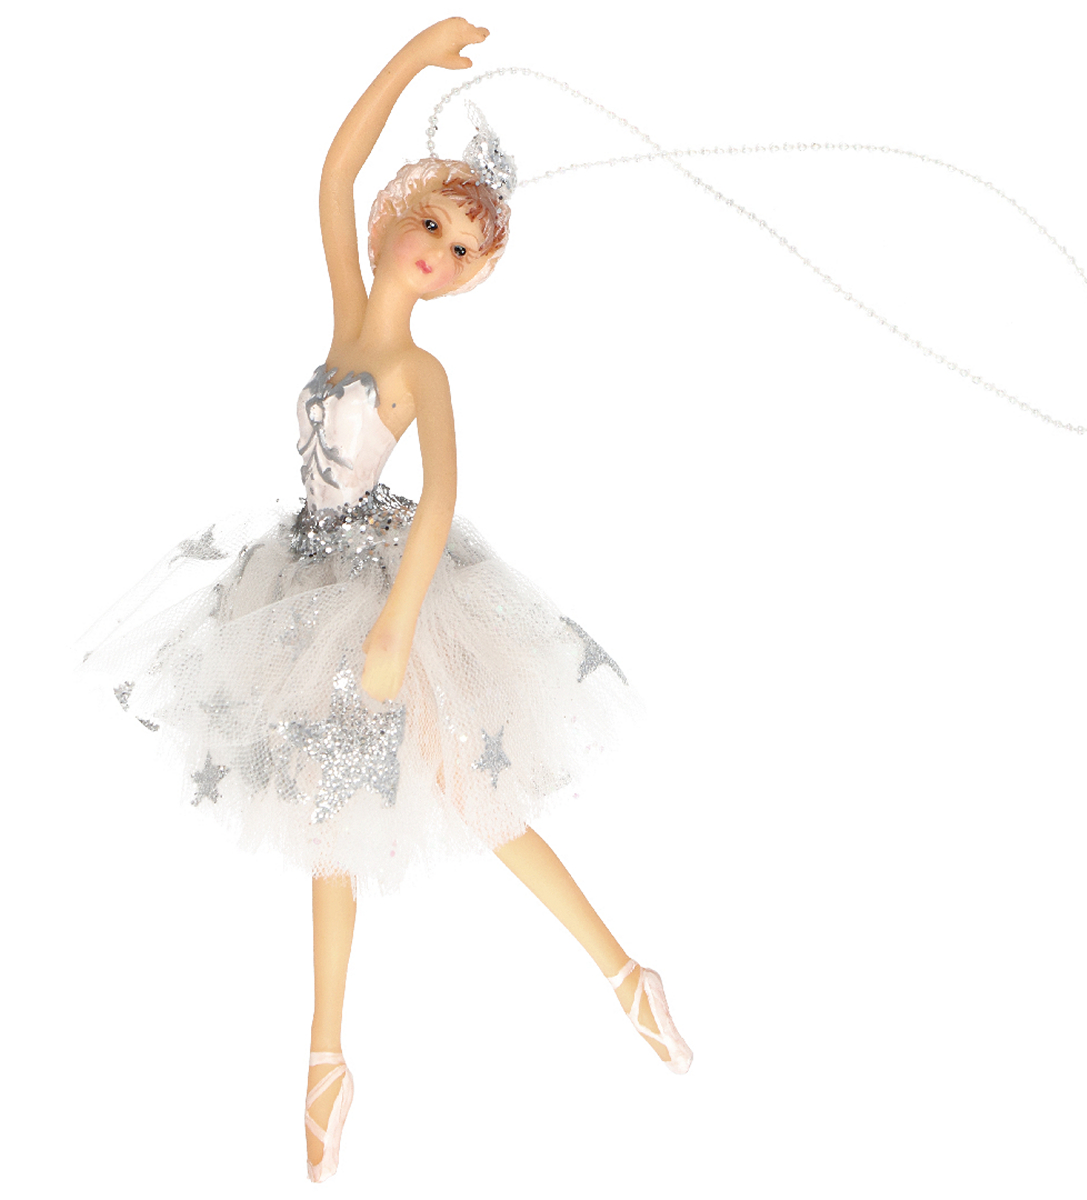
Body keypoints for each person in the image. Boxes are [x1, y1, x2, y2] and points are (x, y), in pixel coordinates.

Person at [80, 17, 691, 1184]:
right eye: (434, 225)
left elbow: (446, 489)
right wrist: (412, 57)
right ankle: (327, 1057)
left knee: (468, 788)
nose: (440, 253)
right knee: (332, 818)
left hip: (375, 591)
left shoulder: (420, 371)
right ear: (397, 218)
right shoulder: (347, 319)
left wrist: (398, 625)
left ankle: (623, 974)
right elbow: (333, 173)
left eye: (463, 249)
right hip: (301, 580)